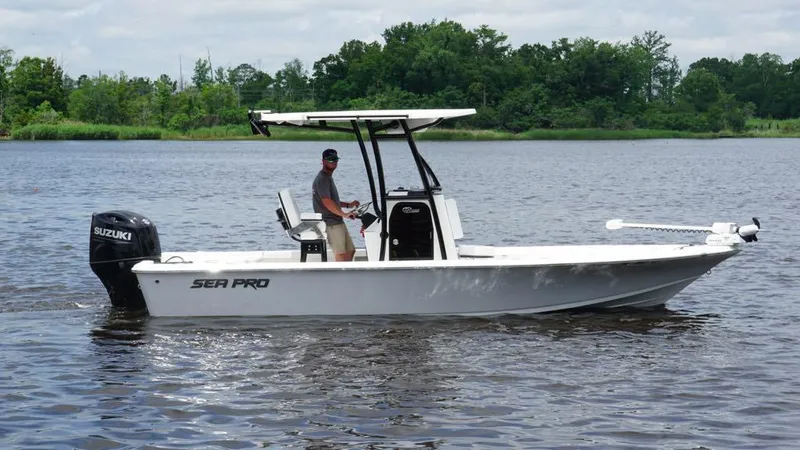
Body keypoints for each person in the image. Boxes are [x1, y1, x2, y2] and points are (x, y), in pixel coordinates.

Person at [312, 148, 360, 261]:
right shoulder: (322, 179)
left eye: (335, 159)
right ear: (323, 161)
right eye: (330, 160)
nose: (333, 162)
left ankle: (347, 277)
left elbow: (332, 200)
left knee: (350, 251)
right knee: (341, 254)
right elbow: (327, 202)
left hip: (337, 220)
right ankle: (340, 277)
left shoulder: (328, 178)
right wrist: (344, 214)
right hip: (331, 223)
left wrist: (349, 205)